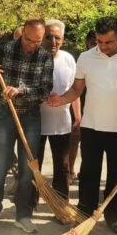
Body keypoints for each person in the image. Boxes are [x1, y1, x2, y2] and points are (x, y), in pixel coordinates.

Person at [47, 17, 117, 234]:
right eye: (99, 41)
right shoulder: (86, 57)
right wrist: (61, 100)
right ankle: (84, 213)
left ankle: (114, 216)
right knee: (88, 173)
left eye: (108, 42)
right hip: (92, 126)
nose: (103, 46)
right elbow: (77, 90)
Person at [0, 18, 53, 233]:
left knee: (28, 168)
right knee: (0, 164)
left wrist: (20, 90)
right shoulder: (5, 48)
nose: (33, 45)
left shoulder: (45, 56)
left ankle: (22, 214)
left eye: (38, 41)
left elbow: (45, 90)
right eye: (29, 40)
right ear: (22, 33)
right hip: (5, 114)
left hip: (30, 117)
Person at [35, 19, 80, 206]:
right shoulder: (33, 57)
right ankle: (29, 203)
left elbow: (75, 89)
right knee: (33, 165)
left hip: (61, 121)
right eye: (48, 37)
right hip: (35, 121)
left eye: (57, 38)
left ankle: (61, 204)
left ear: (62, 39)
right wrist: (42, 96)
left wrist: (77, 116)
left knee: (62, 166)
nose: (53, 42)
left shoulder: (68, 59)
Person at [66, 30, 97, 184]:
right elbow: (74, 88)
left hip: (95, 108)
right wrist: (77, 113)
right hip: (79, 104)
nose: (96, 46)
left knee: (90, 145)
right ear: (87, 43)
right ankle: (70, 170)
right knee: (74, 139)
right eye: (92, 43)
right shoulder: (82, 59)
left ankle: (85, 171)